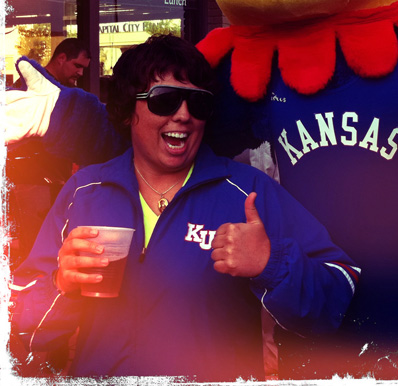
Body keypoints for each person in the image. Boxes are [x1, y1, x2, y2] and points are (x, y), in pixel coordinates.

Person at [10, 34, 360, 381]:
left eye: (199, 104)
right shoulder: (83, 191)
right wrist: (61, 284)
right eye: (166, 100)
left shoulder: (246, 192)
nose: (183, 115)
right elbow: (27, 328)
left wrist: (272, 263)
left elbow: (339, 291)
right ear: (128, 109)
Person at [6, 39, 91, 269]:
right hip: (31, 184)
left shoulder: (70, 94)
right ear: (61, 58)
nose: (80, 73)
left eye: (84, 68)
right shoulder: (28, 87)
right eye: (77, 65)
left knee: (54, 245)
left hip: (55, 184)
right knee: (35, 247)